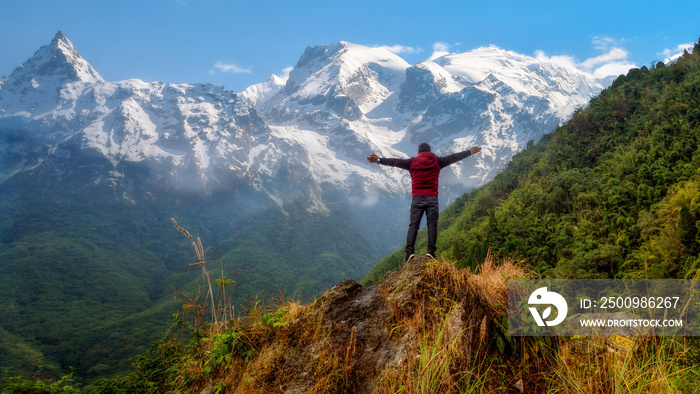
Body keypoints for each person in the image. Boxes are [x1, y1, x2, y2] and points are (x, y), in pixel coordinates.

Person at [367, 143, 481, 262]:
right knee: (432, 226)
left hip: (417, 199)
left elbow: (395, 162)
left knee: (413, 226)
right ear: (430, 151)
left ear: (418, 153)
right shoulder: (437, 161)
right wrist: (469, 152)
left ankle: (409, 253)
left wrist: (379, 160)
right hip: (432, 198)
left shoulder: (412, 162)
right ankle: (430, 252)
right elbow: (453, 157)